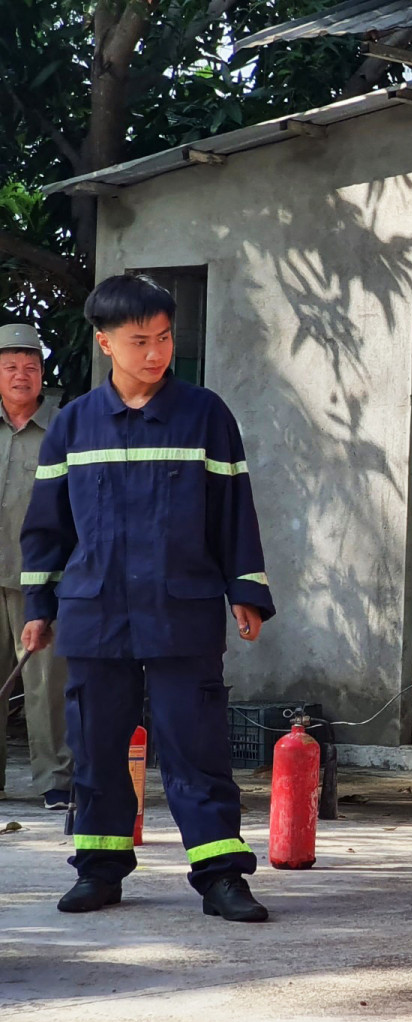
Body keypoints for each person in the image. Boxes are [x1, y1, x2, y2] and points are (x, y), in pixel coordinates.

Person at [20, 274, 277, 922]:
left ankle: (221, 875)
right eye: (140, 341)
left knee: (197, 748)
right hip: (96, 613)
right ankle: (100, 870)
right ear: (105, 342)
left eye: (164, 338)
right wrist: (38, 609)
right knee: (98, 748)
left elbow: (232, 512)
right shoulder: (73, 427)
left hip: (180, 612)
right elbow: (47, 529)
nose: (156, 352)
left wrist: (245, 588)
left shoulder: (205, 416)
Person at [0, 324, 73, 809]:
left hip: (41, 578)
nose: (21, 375)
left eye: (30, 367)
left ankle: (55, 780)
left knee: (48, 684)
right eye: (10, 367)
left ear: (42, 374)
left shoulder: (65, 427)